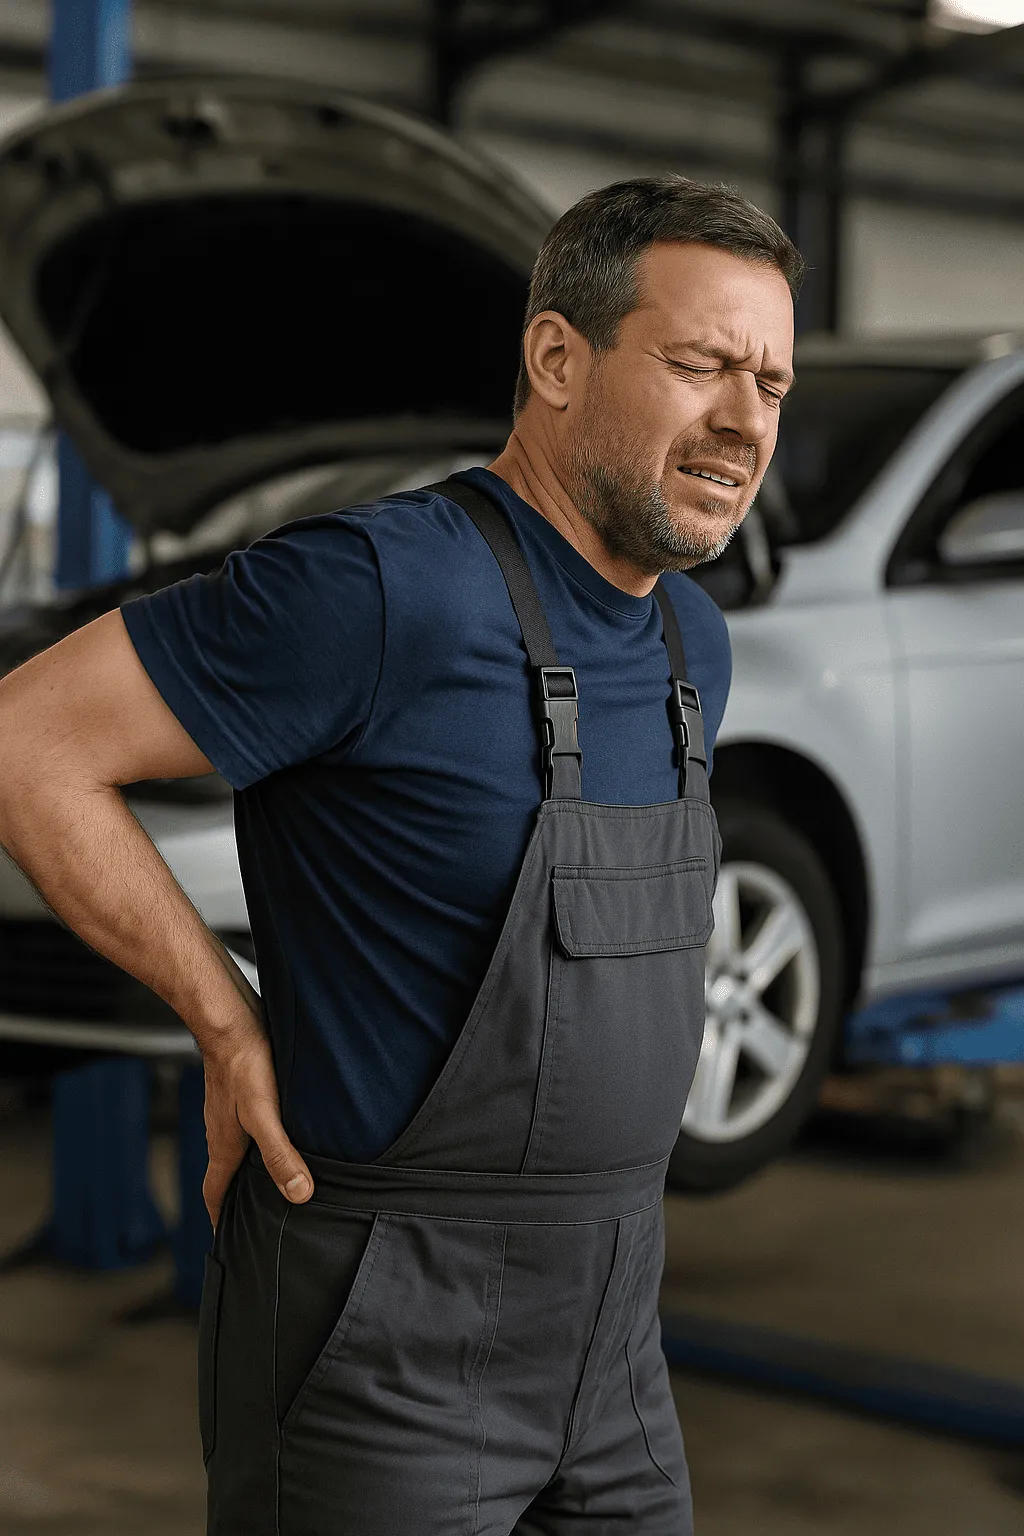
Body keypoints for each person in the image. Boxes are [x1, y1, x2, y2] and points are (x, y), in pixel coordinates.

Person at [0, 175, 800, 1534]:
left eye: (772, 383)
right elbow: (28, 742)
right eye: (700, 365)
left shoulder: (690, 649)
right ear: (558, 357)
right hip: (387, 1325)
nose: (744, 420)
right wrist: (224, 1019)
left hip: (616, 1325)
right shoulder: (382, 587)